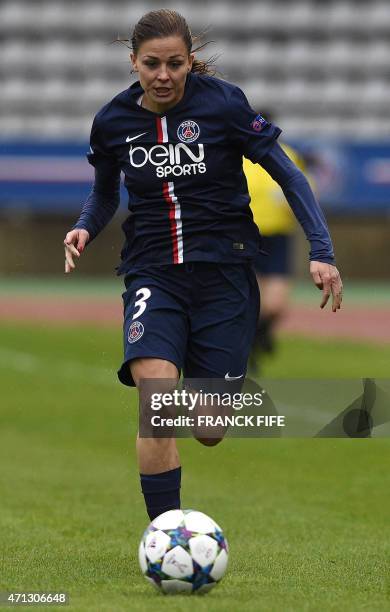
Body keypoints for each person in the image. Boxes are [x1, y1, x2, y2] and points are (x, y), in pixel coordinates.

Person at [63, 9, 343, 521]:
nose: (163, 75)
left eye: (175, 63)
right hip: (153, 272)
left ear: (191, 60)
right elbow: (105, 194)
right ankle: (166, 535)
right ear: (134, 63)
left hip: (225, 276)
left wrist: (322, 251)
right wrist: (85, 224)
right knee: (156, 401)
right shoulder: (112, 123)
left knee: (209, 428)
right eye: (152, 64)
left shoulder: (224, 105)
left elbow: (290, 176)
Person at [244, 115, 310, 373]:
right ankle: (248, 347)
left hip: (278, 236)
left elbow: (304, 191)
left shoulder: (288, 156)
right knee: (251, 299)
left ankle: (258, 336)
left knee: (276, 304)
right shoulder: (237, 157)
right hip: (246, 236)